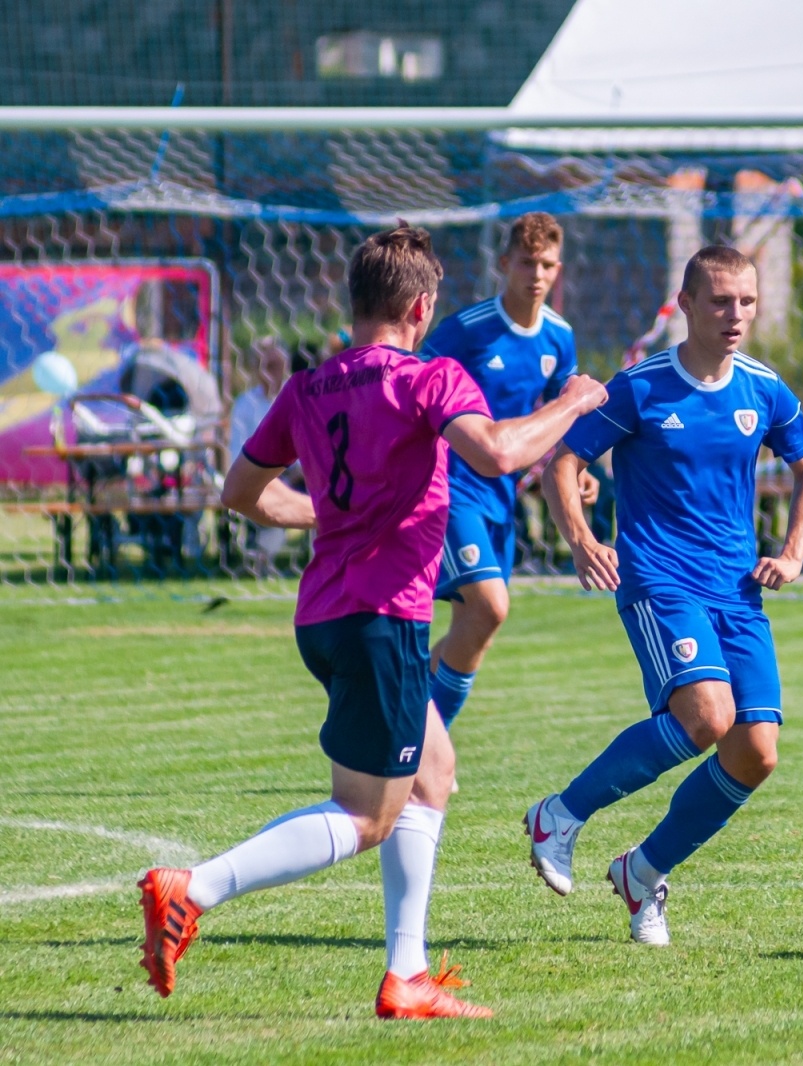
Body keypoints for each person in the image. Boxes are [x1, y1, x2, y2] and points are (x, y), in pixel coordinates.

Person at [135, 224, 607, 1017]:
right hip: (382, 618)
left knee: (434, 774)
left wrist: (324, 511)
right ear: (421, 308)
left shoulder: (308, 388)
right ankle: (194, 888)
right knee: (366, 816)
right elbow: (493, 452)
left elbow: (240, 494)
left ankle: (407, 976)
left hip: (325, 615)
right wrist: (574, 401)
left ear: (355, 304)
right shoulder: (430, 379)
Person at [527, 245, 803, 946]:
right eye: (721, 301)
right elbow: (562, 462)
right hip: (661, 579)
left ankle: (645, 870)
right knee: (708, 716)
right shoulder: (640, 388)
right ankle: (560, 815)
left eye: (747, 301)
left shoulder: (764, 389)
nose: (735, 315)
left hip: (738, 590)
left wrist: (793, 553)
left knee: (756, 752)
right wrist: (581, 537)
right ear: (686, 304)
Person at [420, 212, 599, 734]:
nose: (536, 275)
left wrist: (576, 466)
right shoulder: (468, 330)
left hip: (501, 498)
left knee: (477, 625)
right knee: (491, 607)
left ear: (558, 268)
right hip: (452, 489)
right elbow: (411, 381)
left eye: (546, 264)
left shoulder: (559, 338)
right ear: (504, 265)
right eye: (526, 263)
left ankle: (414, 730)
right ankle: (424, 750)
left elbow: (561, 412)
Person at [228, 338, 293, 569]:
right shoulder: (245, 404)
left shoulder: (296, 397)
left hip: (296, 475)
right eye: (267, 366)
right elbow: (236, 453)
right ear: (256, 370)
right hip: (259, 476)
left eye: (277, 365)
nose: (273, 373)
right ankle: (263, 554)